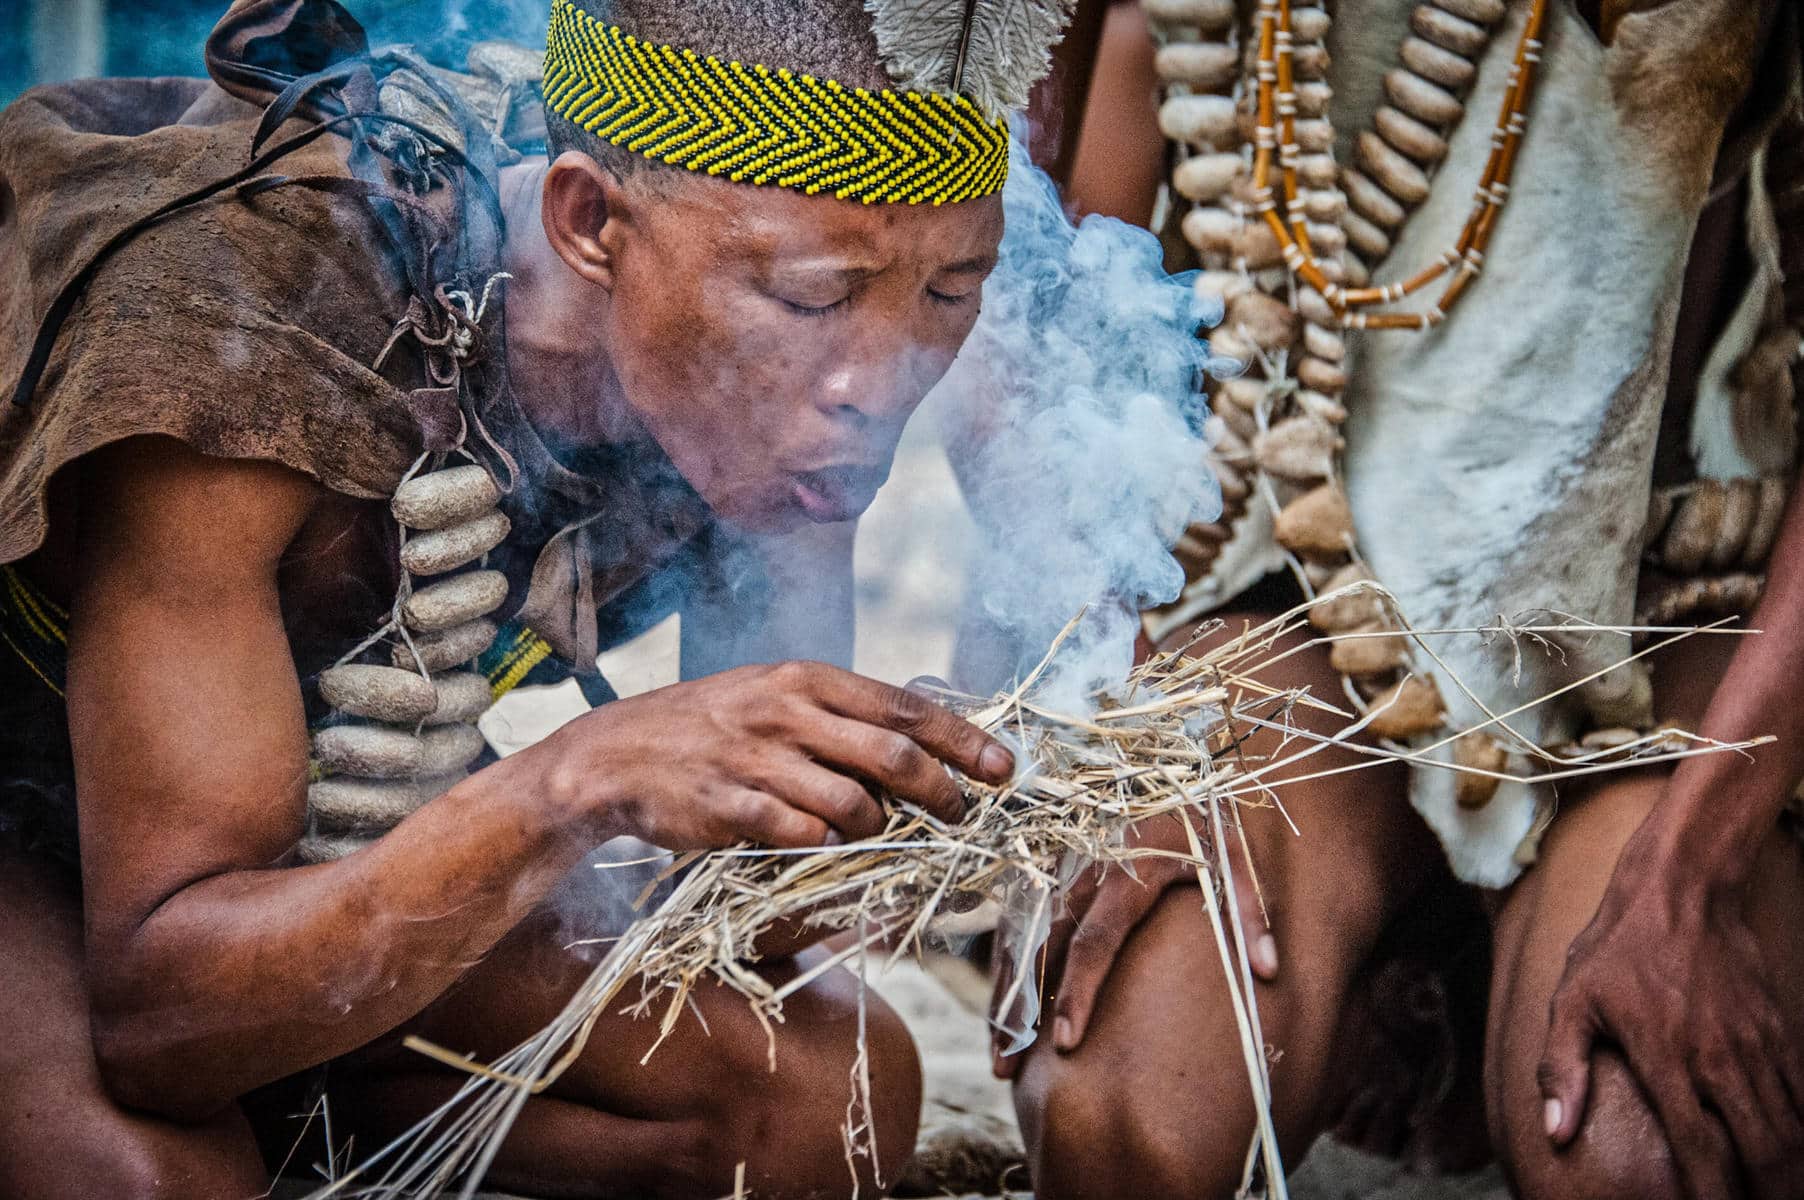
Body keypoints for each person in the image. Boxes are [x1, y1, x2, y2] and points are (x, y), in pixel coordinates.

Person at [0, 0, 1082, 1194]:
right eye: (816, 299)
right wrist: (575, 782)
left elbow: (752, 905)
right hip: (49, 836)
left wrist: (882, 824)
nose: (879, 385)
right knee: (149, 1180)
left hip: (318, 824)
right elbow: (159, 1020)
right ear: (586, 220)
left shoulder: (774, 385)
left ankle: (298, 1086)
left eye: (950, 292)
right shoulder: (237, 337)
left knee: (827, 1091)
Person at [1004, 2, 1804, 1198]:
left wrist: (1685, 872)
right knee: (1126, 1107)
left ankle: (1503, 969)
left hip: (1694, 614)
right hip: (1331, 605)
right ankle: (1399, 957)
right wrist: (1127, 733)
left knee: (1628, 1151)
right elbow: (1077, 332)